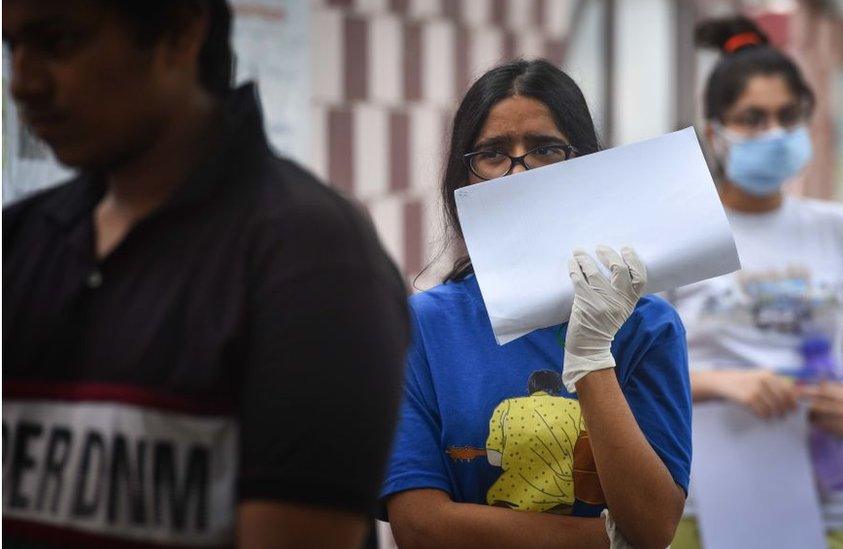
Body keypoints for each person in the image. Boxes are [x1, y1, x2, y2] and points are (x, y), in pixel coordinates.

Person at [2, 1, 409, 547]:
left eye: (58, 42)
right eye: (11, 46)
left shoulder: (313, 258)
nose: (21, 83)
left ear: (179, 29)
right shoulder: (20, 239)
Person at [381, 59, 692, 549]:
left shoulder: (648, 327)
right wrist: (605, 540)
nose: (519, 172)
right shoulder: (422, 327)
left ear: (587, 165)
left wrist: (593, 357)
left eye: (546, 149)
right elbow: (419, 527)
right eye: (492, 154)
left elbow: (654, 526)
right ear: (463, 181)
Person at [668, 16, 843, 549]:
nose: (773, 132)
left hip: (832, 505)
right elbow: (629, 376)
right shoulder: (679, 239)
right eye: (752, 118)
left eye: (787, 116)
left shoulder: (839, 230)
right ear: (715, 132)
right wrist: (723, 383)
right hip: (702, 506)